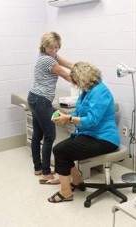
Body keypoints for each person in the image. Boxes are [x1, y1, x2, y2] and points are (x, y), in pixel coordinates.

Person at [48, 62, 120, 203]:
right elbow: (78, 111)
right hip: (90, 135)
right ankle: (77, 181)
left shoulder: (101, 92)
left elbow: (92, 120)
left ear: (85, 77)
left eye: (78, 80)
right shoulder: (86, 91)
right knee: (62, 150)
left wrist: (69, 117)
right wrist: (64, 118)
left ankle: (66, 193)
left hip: (105, 139)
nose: (78, 84)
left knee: (60, 151)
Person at [27, 32, 73, 183]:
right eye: (51, 47)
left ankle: (38, 168)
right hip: (41, 100)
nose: (54, 50)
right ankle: (46, 172)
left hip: (34, 97)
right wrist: (88, 81)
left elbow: (70, 65)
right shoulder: (47, 60)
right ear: (44, 46)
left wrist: (81, 67)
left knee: (37, 135)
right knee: (49, 135)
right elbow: (66, 76)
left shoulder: (49, 55)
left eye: (56, 47)